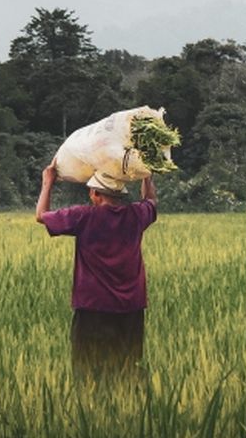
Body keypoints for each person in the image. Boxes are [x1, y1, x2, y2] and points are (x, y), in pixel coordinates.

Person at [35, 158, 157, 381]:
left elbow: (41, 216)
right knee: (127, 367)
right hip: (131, 307)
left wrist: (47, 182)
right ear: (119, 195)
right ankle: (130, 409)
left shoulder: (83, 216)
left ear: (96, 194)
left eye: (91, 191)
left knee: (88, 370)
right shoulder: (137, 215)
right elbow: (151, 200)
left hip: (93, 307)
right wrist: (146, 175)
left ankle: (92, 410)